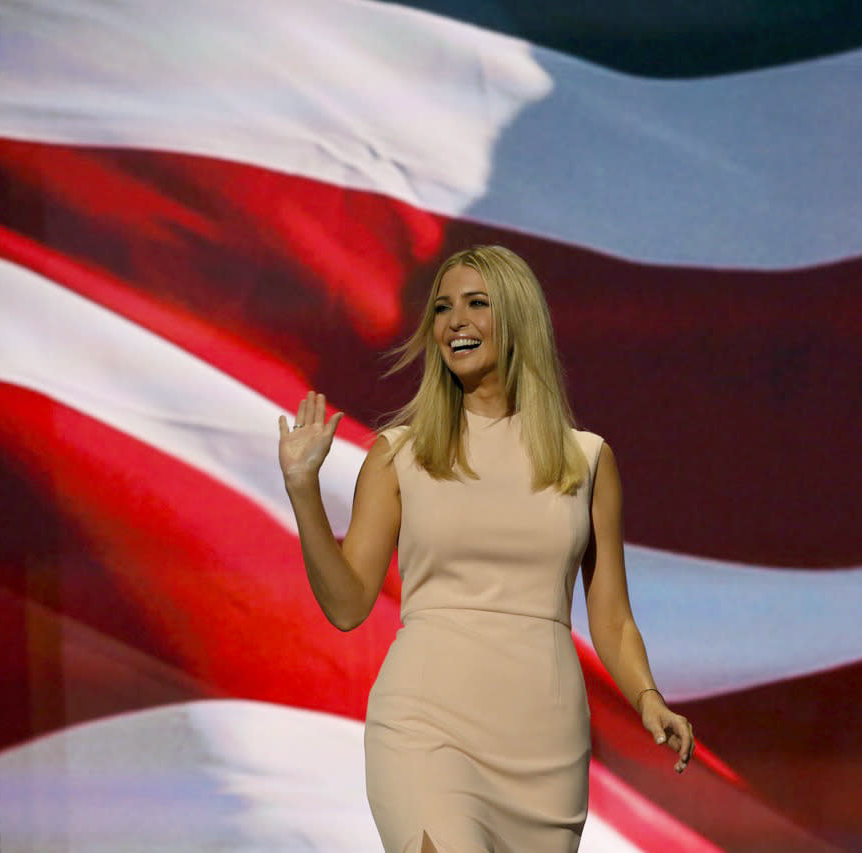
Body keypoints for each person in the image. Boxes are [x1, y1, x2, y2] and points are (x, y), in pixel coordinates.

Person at [277, 245, 694, 852]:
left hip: (543, 737)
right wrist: (302, 491)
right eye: (443, 309)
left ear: (520, 318)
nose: (454, 322)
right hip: (427, 721)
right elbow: (346, 606)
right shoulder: (401, 454)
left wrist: (648, 697)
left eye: (477, 303)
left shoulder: (588, 460)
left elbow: (612, 617)